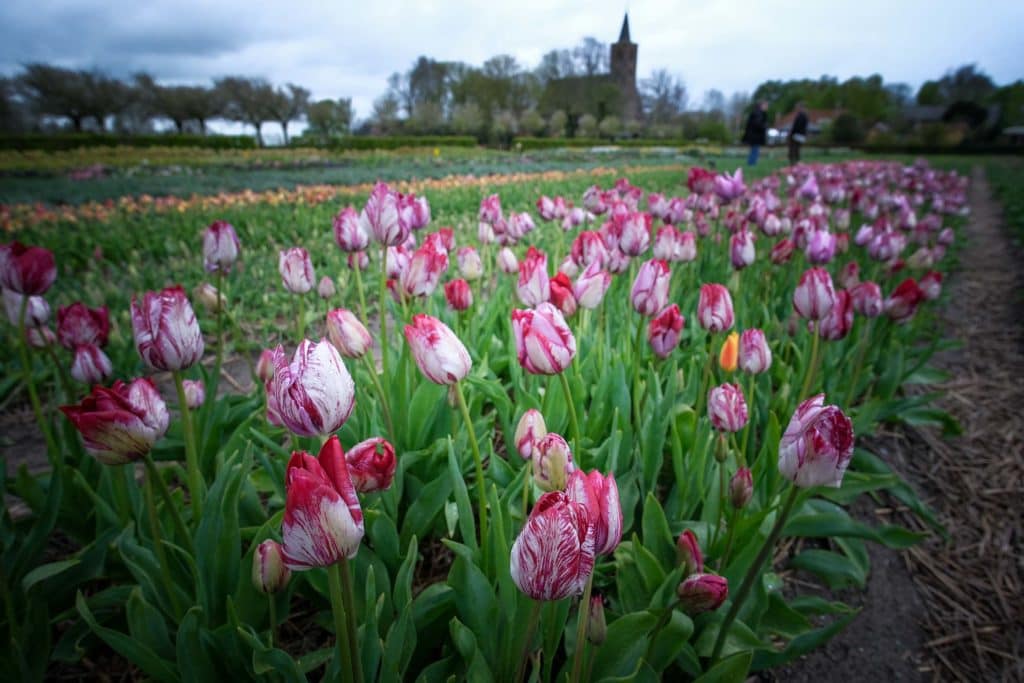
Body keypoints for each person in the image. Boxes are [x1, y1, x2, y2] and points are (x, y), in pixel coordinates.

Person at [742, 101, 768, 166]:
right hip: (755, 136)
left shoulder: (757, 113)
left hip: (754, 135)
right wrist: (764, 126)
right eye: (765, 105)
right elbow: (757, 124)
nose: (766, 107)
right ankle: (752, 163)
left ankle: (751, 163)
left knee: (754, 149)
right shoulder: (758, 114)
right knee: (755, 149)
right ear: (761, 106)